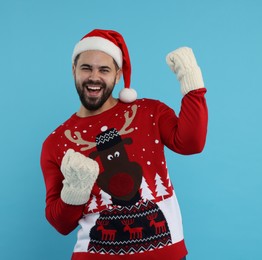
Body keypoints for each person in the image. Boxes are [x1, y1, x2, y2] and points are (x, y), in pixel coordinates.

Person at [40, 29, 207, 260]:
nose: (94, 77)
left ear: (117, 75)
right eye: (86, 67)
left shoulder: (149, 112)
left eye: (104, 69)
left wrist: (192, 84)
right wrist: (75, 191)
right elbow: (60, 223)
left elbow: (191, 143)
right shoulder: (56, 142)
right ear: (73, 71)